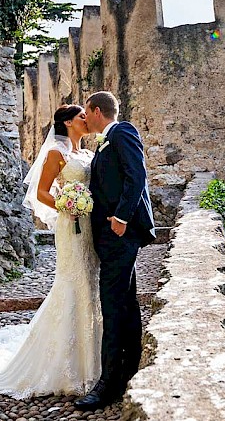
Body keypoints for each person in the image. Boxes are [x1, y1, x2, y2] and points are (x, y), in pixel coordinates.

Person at [0, 105, 103, 398]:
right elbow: (42, 192)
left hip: (90, 227)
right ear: (68, 122)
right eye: (82, 116)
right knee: (72, 283)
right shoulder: (57, 152)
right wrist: (67, 207)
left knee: (90, 282)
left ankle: (93, 356)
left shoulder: (88, 154)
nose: (86, 120)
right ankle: (68, 365)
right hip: (72, 225)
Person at [75, 91, 156, 411]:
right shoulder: (107, 141)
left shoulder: (123, 132)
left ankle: (108, 384)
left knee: (111, 303)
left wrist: (121, 218)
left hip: (119, 234)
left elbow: (137, 176)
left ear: (97, 111)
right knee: (125, 301)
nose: (84, 117)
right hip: (112, 236)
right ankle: (131, 367)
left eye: (86, 111)